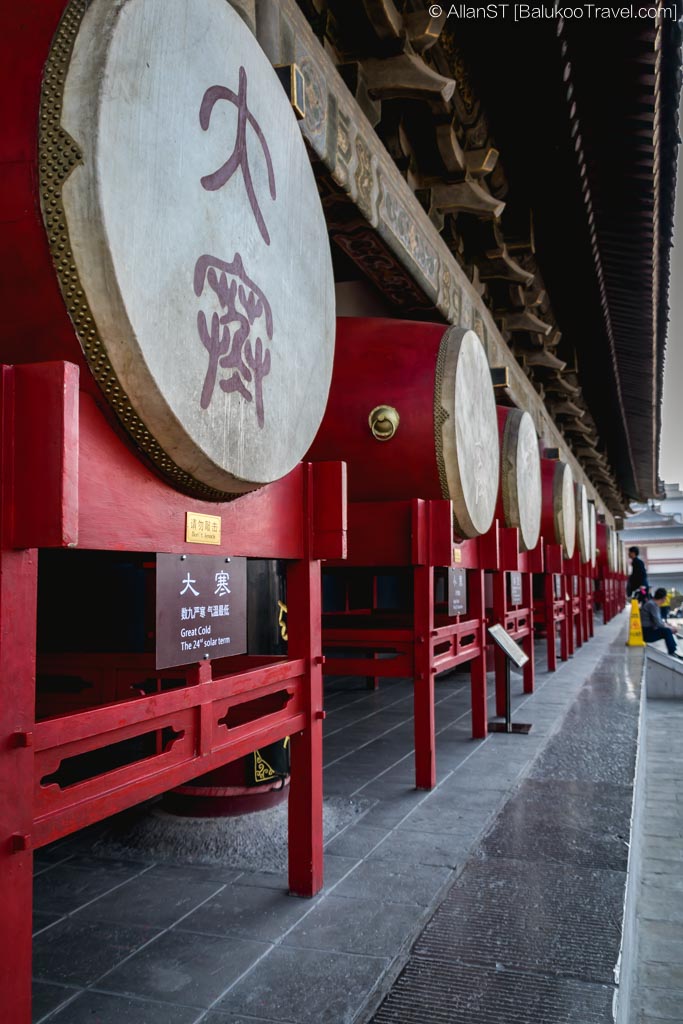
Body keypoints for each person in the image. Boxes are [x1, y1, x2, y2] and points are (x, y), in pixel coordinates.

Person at [640, 588, 682, 658]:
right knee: (667, 631)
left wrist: (668, 625)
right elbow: (659, 623)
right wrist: (670, 628)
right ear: (663, 598)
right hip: (646, 633)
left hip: (647, 630)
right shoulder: (652, 605)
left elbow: (658, 621)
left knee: (668, 630)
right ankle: (672, 652)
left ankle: (674, 650)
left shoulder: (652, 604)